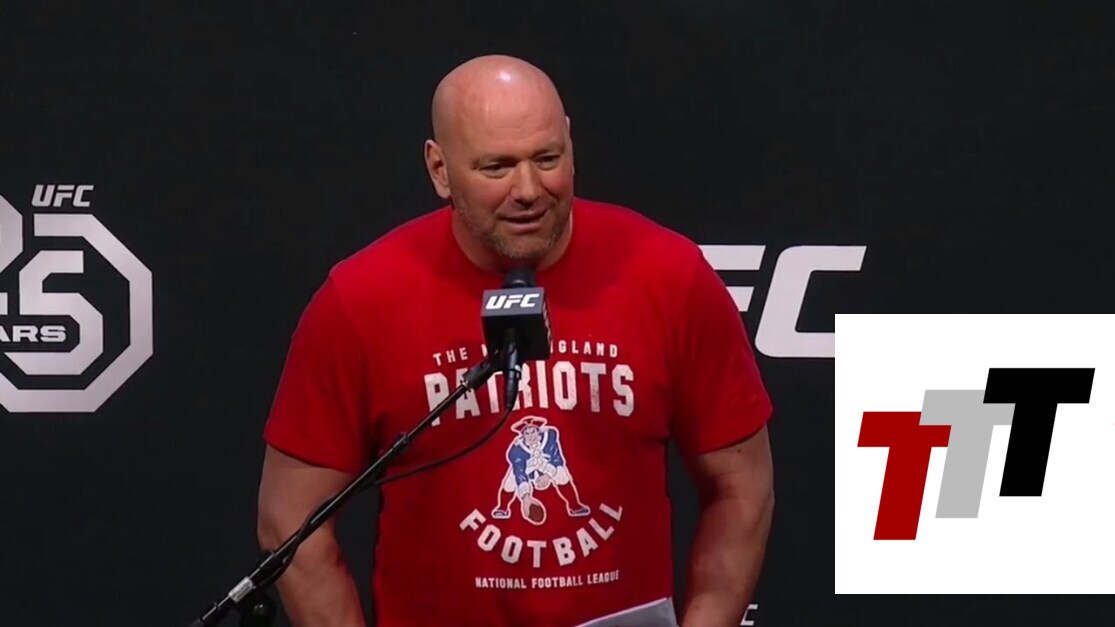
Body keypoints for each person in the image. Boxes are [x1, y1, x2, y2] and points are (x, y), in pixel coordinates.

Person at [256, 54, 775, 627]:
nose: (528, 190)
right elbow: (289, 517)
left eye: (547, 159)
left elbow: (743, 487)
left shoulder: (670, 277)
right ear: (439, 169)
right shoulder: (361, 300)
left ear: (571, 145)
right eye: (497, 167)